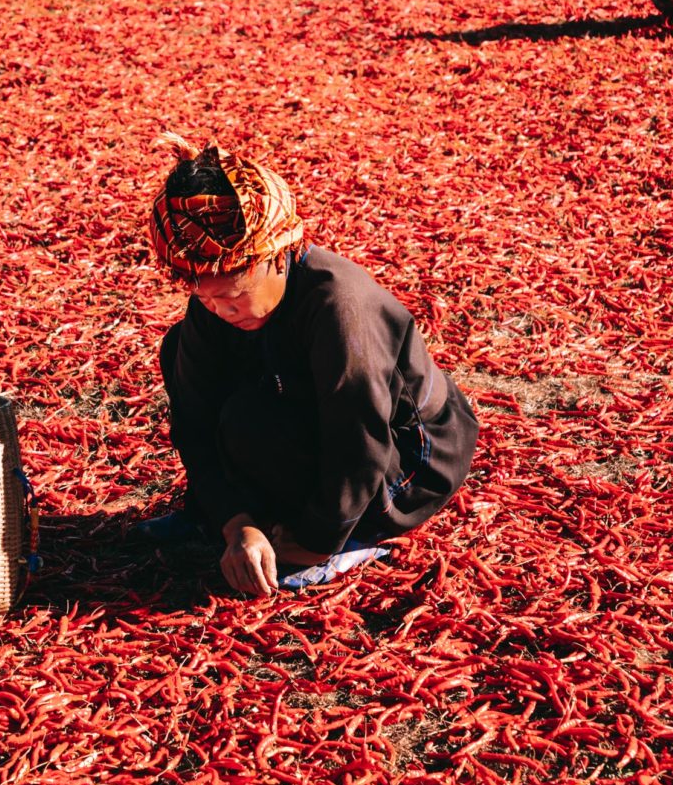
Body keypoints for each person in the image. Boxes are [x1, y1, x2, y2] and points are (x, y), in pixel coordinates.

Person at [134, 134, 478, 596]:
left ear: (275, 256)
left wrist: (318, 539)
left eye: (233, 296)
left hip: (407, 458)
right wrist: (235, 523)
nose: (220, 310)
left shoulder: (341, 307)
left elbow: (359, 438)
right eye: (204, 296)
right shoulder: (213, 307)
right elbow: (194, 422)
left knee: (268, 425)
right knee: (182, 348)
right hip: (316, 421)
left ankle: (354, 537)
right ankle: (228, 514)